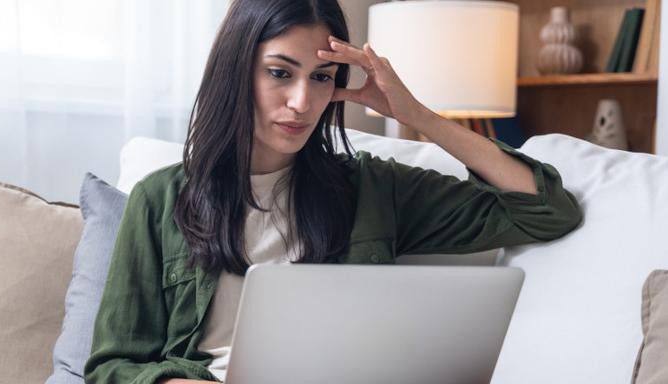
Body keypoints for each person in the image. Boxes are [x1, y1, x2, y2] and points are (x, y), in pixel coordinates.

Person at [82, 0, 584, 383]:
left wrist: (419, 117)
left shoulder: (371, 187)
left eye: (321, 77)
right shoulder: (159, 199)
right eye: (280, 73)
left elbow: (544, 211)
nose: (303, 102)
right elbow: (112, 367)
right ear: (237, 71)